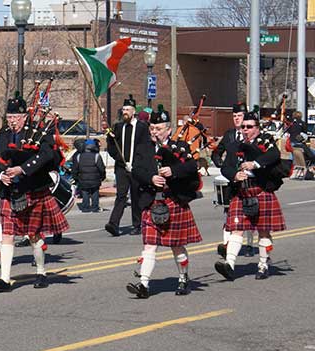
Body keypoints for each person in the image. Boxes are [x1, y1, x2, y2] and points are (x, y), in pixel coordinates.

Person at [0, 97, 69, 292]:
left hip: (33, 189)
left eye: (16, 116)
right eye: (10, 116)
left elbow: (46, 155)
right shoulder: (3, 136)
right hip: (9, 191)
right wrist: (0, 175)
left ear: (24, 116)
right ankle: (4, 279)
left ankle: (41, 272)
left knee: (34, 235)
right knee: (7, 234)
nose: (12, 120)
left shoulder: (37, 133)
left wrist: (22, 169)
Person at [125, 107, 202, 298]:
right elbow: (137, 171)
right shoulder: (144, 148)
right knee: (149, 245)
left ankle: (183, 279)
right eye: (152, 128)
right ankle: (143, 284)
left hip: (173, 200)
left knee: (176, 245)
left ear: (168, 130)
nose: (154, 132)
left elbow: (193, 166)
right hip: (152, 201)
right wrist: (151, 178)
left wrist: (173, 172)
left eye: (158, 129)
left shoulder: (179, 147)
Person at [214, 109, 287, 281]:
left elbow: (274, 155)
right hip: (241, 192)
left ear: (257, 128)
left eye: (249, 126)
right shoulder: (235, 145)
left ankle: (263, 265)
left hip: (260, 190)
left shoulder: (265, 141)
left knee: (263, 232)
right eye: (243, 126)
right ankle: (229, 265)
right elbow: (226, 167)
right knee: (236, 229)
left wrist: (254, 164)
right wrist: (234, 175)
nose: (245, 129)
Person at [211, 102, 256, 258]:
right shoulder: (229, 134)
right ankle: (227, 245)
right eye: (235, 116)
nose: (237, 119)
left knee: (250, 211)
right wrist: (222, 165)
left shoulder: (251, 134)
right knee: (229, 211)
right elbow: (217, 153)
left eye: (240, 116)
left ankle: (250, 244)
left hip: (248, 178)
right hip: (231, 178)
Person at [105, 95, 150, 236]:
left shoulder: (142, 127)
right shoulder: (118, 127)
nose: (125, 112)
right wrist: (119, 159)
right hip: (122, 167)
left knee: (136, 195)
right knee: (121, 195)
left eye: (127, 109)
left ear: (133, 111)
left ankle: (137, 225)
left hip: (136, 167)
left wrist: (136, 164)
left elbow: (145, 148)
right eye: (123, 109)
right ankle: (113, 224)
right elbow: (112, 146)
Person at [72, 138, 106, 212]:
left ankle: (85, 207)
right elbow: (101, 168)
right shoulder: (97, 156)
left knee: (85, 192)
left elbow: (75, 169)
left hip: (83, 178)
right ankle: (95, 207)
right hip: (95, 178)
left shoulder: (79, 156)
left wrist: (76, 178)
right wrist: (103, 177)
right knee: (95, 192)